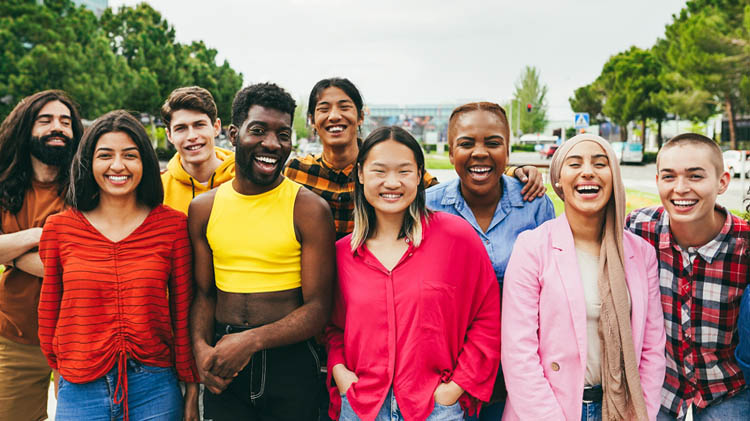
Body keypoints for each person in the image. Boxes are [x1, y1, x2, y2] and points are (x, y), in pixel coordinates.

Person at [327, 126, 501, 421]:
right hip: (362, 406)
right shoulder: (343, 254)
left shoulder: (456, 238)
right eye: (379, 171)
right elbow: (333, 329)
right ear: (360, 174)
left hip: (435, 407)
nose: (392, 183)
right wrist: (341, 374)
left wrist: (454, 389)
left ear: (419, 175)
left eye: (404, 171)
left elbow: (487, 319)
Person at [37, 110, 200, 420]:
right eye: (105, 155)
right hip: (80, 383)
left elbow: (183, 311)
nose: (117, 165)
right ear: (88, 161)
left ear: (145, 163)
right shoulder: (60, 228)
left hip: (155, 385)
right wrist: (59, 369)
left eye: (129, 155)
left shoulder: (173, 227)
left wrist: (191, 385)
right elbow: (49, 308)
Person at [189, 82, 336, 421]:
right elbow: (204, 293)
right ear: (233, 133)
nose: (272, 143)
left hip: (291, 361)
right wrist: (200, 349)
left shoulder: (309, 209)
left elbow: (318, 309)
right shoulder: (203, 208)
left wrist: (250, 341)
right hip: (224, 361)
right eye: (258, 130)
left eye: (283, 134)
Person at [502, 134, 666, 421]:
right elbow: (518, 352)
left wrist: (642, 413)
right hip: (547, 409)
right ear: (559, 182)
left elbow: (652, 350)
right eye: (574, 163)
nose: (588, 171)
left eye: (600, 164)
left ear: (613, 177)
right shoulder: (532, 247)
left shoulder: (641, 253)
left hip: (619, 409)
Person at [285, 77, 546, 239]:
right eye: (323, 109)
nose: (334, 116)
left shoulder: (387, 165)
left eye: (344, 107)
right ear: (311, 120)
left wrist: (513, 172)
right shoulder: (296, 171)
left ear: (361, 116)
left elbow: (451, 187)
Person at [425, 101, 555, 420]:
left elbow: (552, 294)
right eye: (466, 144)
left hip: (517, 371)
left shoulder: (535, 205)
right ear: (451, 152)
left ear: (508, 151)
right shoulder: (427, 207)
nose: (480, 152)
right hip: (447, 377)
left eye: (493, 143)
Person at [626, 133, 750, 420]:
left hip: (727, 388)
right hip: (660, 386)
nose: (680, 188)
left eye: (695, 177)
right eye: (669, 177)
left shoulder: (744, 246)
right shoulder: (637, 229)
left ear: (722, 182)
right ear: (657, 180)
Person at [0, 90, 83, 421]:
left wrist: (10, 252)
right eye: (45, 120)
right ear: (26, 128)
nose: (57, 127)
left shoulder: (87, 187)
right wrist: (36, 236)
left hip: (81, 339)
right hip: (15, 335)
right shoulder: (6, 186)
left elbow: (73, 266)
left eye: (65, 121)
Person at [160, 86, 235, 214]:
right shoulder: (157, 188)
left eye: (199, 125)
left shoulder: (245, 180)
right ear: (170, 135)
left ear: (216, 127)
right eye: (181, 128)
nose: (192, 136)